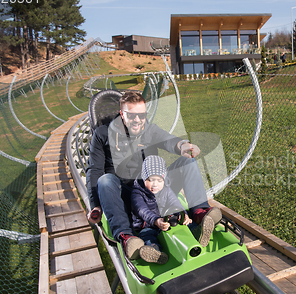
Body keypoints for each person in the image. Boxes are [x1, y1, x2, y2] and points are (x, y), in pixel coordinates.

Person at [86, 91, 221, 260]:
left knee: (187, 162)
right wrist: (95, 205)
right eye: (132, 115)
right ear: (122, 114)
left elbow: (168, 140)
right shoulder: (102, 134)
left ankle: (200, 213)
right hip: (126, 195)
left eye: (141, 115)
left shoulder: (148, 129)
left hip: (155, 188)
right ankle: (127, 237)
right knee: (105, 180)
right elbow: (94, 170)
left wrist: (183, 145)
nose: (137, 120)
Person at [131, 155, 220, 264]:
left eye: (159, 180)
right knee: (146, 235)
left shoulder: (165, 189)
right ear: (144, 178)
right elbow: (142, 211)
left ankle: (198, 233)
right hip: (149, 224)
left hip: (166, 220)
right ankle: (155, 251)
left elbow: (174, 201)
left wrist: (183, 214)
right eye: (150, 180)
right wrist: (156, 220)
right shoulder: (137, 193)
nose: (155, 184)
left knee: (184, 224)